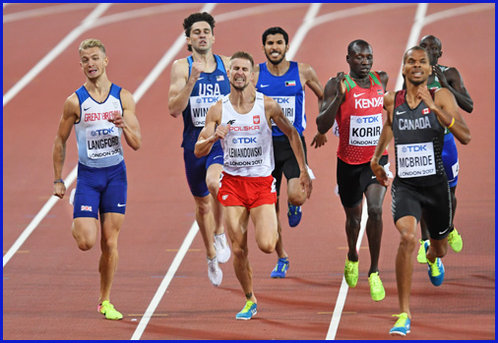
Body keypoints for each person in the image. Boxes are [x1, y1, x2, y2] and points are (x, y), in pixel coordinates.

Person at [194, 51, 312, 320]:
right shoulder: (218, 108)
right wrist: (213, 137)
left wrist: (303, 170)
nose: (239, 73)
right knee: (238, 248)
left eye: (244, 69)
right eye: (235, 68)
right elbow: (198, 150)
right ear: (228, 74)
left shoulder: (267, 105)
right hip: (233, 184)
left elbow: (292, 132)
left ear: (252, 75)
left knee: (267, 245)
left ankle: (272, 253)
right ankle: (250, 299)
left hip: (260, 184)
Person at [371, 46, 471, 336]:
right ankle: (404, 313)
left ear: (430, 70)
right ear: (403, 69)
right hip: (407, 187)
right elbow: (389, 127)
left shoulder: (442, 96)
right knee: (406, 236)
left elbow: (465, 136)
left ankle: (433, 257)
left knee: (439, 248)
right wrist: (376, 159)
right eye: (410, 62)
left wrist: (436, 108)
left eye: (422, 63)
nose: (416, 66)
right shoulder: (392, 100)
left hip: (436, 188)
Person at [52, 38, 142, 320]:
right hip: (89, 177)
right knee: (86, 242)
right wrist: (58, 179)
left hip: (116, 174)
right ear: (81, 65)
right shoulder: (74, 102)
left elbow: (137, 143)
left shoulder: (123, 97)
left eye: (95, 59)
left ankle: (105, 300)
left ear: (105, 61)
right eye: (85, 60)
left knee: (110, 242)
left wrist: (124, 124)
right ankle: (79, 211)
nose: (91, 64)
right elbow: (60, 140)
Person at [316, 40, 389, 302]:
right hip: (348, 164)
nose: (365, 61)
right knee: (354, 220)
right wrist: (337, 97)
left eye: (369, 56)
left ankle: (375, 271)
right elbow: (322, 125)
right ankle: (352, 255)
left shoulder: (381, 80)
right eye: (359, 57)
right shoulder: (337, 84)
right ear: (348, 59)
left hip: (376, 161)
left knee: (377, 210)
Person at [253, 26, 325, 278]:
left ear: (286, 45)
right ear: (263, 47)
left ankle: (295, 207)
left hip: (292, 143)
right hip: (263, 148)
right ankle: (282, 258)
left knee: (296, 196)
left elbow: (323, 96)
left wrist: (323, 127)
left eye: (279, 43)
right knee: (270, 209)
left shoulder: (302, 71)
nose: (274, 47)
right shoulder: (254, 74)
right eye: (270, 43)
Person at [168, 12, 231, 286]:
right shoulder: (181, 68)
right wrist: (192, 80)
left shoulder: (227, 64)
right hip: (194, 143)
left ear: (213, 36)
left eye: (206, 31)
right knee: (202, 203)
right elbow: (173, 109)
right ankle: (209, 254)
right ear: (188, 39)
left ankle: (220, 232)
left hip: (220, 140)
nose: (202, 35)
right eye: (196, 32)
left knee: (215, 183)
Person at [415, 34, 473, 264]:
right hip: (423, 143)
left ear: (440, 53)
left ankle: (448, 227)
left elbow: (468, 105)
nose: (428, 50)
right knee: (422, 196)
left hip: (447, 143)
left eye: (433, 48)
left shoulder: (450, 73)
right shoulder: (413, 75)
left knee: (449, 195)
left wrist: (446, 85)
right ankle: (425, 242)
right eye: (424, 46)